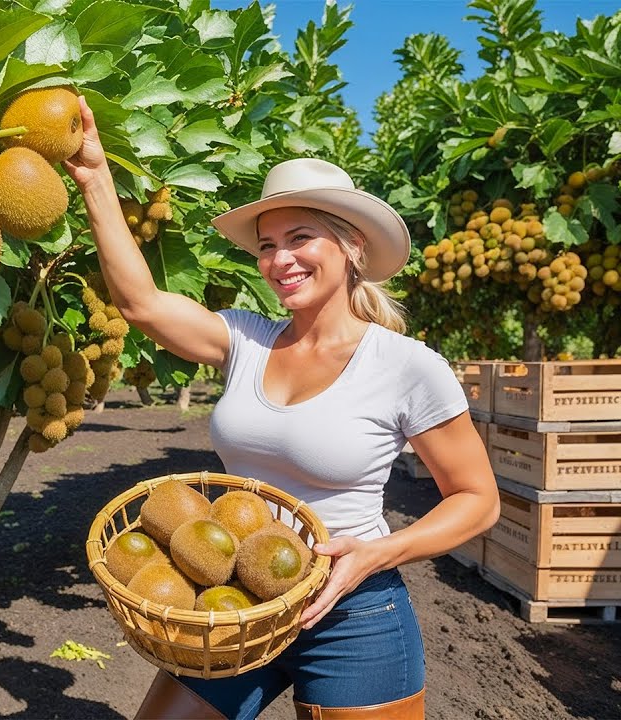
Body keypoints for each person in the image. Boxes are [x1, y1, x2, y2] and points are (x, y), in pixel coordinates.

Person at [62, 96, 500, 719]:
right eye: (267, 245)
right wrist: (96, 178)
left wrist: (376, 554)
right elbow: (142, 306)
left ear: (351, 247)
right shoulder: (245, 339)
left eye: (300, 238)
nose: (280, 260)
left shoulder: (406, 365)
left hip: (352, 608)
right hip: (235, 600)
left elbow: (477, 500)